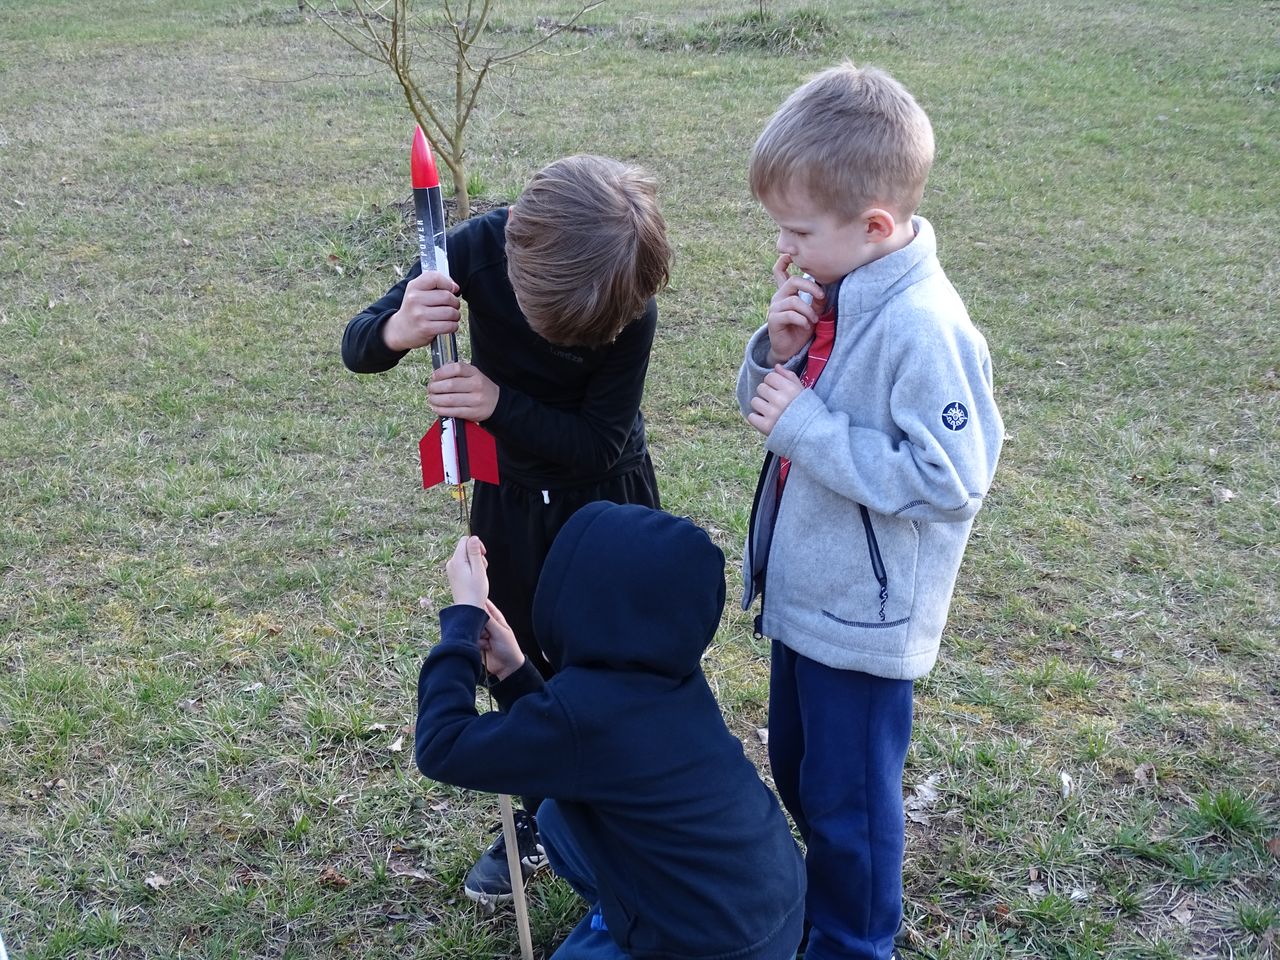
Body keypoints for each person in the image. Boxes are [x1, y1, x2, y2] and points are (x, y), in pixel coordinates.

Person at [342, 155, 671, 902]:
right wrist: (397, 328)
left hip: (604, 501)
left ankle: (625, 807)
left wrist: (495, 405)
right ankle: (540, 812)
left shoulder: (629, 300)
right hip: (509, 498)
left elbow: (597, 442)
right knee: (510, 642)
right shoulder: (472, 251)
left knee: (612, 654)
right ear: (518, 241)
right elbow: (357, 345)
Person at [737, 63, 1004, 960]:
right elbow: (779, 412)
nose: (784, 249)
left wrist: (809, 426)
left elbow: (952, 478)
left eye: (797, 230)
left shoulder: (924, 326)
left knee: (851, 803)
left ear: (875, 226)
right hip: (809, 597)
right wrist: (777, 351)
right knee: (804, 777)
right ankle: (827, 913)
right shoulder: (843, 287)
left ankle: (854, 944)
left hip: (866, 614)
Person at [415, 503, 807, 960]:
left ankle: (639, 932)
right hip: (771, 907)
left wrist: (462, 622)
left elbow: (442, 744)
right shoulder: (670, 679)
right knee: (557, 820)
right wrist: (514, 671)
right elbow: (568, 745)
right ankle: (629, 910)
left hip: (711, 947)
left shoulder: (586, 712)